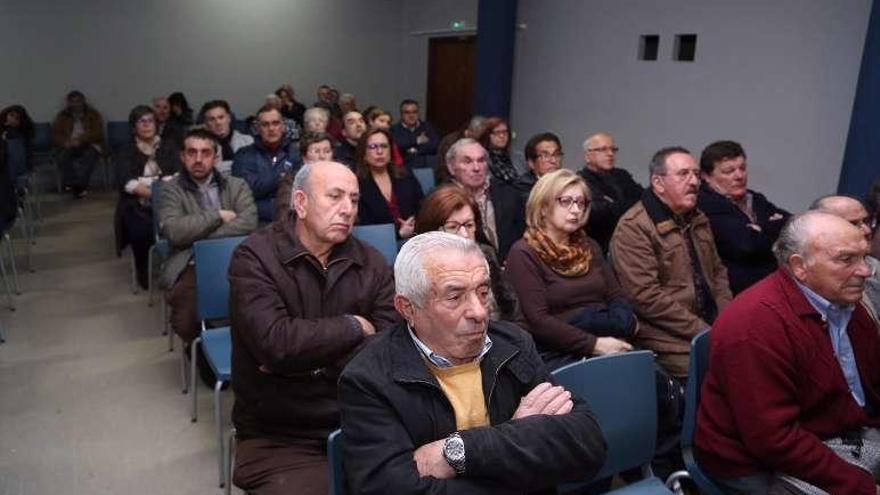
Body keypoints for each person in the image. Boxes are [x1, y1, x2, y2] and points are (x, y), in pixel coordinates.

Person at [338, 231, 608, 494]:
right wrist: (521, 451)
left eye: (482, 292)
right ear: (408, 308)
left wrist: (458, 452)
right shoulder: (368, 379)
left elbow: (587, 446)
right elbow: (392, 489)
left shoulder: (513, 344)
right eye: (455, 297)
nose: (480, 312)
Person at [228, 161, 399, 495]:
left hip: (362, 417)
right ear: (301, 203)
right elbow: (275, 344)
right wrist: (353, 326)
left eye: (353, 199)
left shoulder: (372, 262)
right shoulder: (254, 258)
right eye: (334, 197)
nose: (347, 209)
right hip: (280, 434)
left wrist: (303, 363)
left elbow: (390, 347)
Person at [696, 211, 880, 495]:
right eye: (846, 259)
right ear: (799, 266)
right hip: (754, 463)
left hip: (831, 435)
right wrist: (860, 486)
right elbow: (773, 440)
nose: (865, 271)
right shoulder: (755, 325)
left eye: (863, 257)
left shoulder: (846, 303)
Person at [610, 146, 731, 378]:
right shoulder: (634, 227)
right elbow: (645, 297)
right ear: (658, 183)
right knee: (722, 370)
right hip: (664, 336)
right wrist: (706, 332)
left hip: (711, 326)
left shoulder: (698, 218)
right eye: (684, 174)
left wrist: (725, 319)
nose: (694, 181)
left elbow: (718, 272)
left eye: (696, 174)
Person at [506, 169, 635, 370]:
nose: (576, 210)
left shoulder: (589, 246)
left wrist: (626, 321)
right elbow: (538, 321)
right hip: (557, 351)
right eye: (565, 201)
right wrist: (595, 345)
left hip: (607, 334)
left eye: (581, 202)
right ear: (543, 207)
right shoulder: (523, 253)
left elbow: (616, 295)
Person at [158, 128, 257, 348]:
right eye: (192, 153)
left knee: (262, 302)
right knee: (186, 319)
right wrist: (217, 216)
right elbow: (174, 231)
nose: (199, 159)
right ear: (183, 157)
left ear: (216, 157)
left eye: (205, 153)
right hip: (191, 260)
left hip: (237, 256)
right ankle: (202, 351)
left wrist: (201, 237)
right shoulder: (171, 190)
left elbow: (249, 222)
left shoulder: (236, 185)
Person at [414, 185, 521, 323]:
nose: (464, 235)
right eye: (453, 227)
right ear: (433, 230)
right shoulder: (419, 267)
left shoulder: (485, 254)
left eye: (469, 225)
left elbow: (511, 308)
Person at [697, 140, 790, 294]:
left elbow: (792, 226)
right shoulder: (705, 203)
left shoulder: (754, 197)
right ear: (706, 176)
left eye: (742, 168)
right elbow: (747, 246)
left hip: (774, 285)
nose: (739, 176)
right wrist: (771, 226)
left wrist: (761, 230)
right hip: (737, 292)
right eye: (729, 171)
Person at [113, 105, 181, 289]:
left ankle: (178, 268)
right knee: (141, 231)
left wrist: (160, 191)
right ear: (133, 126)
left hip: (169, 197)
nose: (146, 125)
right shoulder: (125, 149)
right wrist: (153, 192)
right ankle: (144, 273)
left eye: (150, 120)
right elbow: (126, 181)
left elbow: (178, 173)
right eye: (141, 121)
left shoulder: (169, 145)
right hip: (137, 203)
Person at [445, 138, 523, 260]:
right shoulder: (440, 200)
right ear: (451, 167)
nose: (476, 168)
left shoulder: (508, 193)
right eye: (467, 161)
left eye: (481, 160)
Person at [810, 195, 880, 324]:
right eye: (853, 224)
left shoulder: (875, 266)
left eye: (866, 221)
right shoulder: (816, 275)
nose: (867, 230)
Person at [578, 132, 643, 254]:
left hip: (633, 242)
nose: (610, 154)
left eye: (613, 149)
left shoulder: (622, 175)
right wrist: (630, 205)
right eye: (603, 150)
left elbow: (644, 199)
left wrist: (616, 205)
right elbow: (601, 214)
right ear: (587, 156)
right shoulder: (580, 181)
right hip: (602, 247)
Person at [232, 105, 299, 223]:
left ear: (283, 126)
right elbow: (247, 192)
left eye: (275, 123)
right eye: (265, 124)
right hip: (257, 222)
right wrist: (282, 177)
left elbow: (301, 189)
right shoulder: (243, 155)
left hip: (294, 220)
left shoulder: (296, 152)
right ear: (258, 128)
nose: (271, 128)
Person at [355, 128, 423, 238]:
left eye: (384, 146)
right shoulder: (357, 184)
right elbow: (363, 226)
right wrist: (398, 234)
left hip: (414, 238)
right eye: (373, 147)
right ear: (364, 153)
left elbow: (421, 206)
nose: (380, 152)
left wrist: (414, 224)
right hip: (379, 244)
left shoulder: (405, 175)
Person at [51, 90, 105, 198]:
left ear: (83, 101)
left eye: (79, 101)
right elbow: (55, 135)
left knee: (89, 157)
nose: (76, 104)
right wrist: (66, 142)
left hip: (89, 143)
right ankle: (76, 185)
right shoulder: (62, 116)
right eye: (73, 102)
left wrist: (81, 139)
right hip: (69, 144)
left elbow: (98, 132)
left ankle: (79, 186)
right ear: (69, 103)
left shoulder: (93, 114)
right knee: (62, 157)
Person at [199, 100, 254, 176]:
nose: (218, 123)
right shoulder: (200, 147)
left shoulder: (248, 141)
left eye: (221, 117)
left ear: (229, 118)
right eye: (212, 119)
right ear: (206, 124)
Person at [390, 99, 439, 167]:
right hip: (404, 168)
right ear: (401, 114)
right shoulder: (394, 129)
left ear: (418, 113)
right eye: (407, 112)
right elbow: (398, 145)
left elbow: (435, 145)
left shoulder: (427, 127)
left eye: (414, 112)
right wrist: (417, 140)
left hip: (425, 166)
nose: (411, 115)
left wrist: (416, 150)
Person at [512, 132, 564, 196]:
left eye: (557, 154)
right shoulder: (522, 188)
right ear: (531, 163)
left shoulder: (566, 183)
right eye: (546, 156)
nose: (554, 160)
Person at [477, 117, 518, 184]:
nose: (502, 136)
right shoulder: (481, 158)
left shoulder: (518, 157)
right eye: (497, 132)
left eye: (505, 132)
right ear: (487, 135)